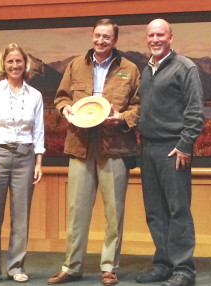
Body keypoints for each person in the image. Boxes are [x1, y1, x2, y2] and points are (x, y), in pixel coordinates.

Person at [47, 18, 140, 286]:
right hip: (80, 146)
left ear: (115, 40)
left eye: (106, 37)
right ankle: (71, 267)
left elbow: (140, 106)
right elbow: (62, 97)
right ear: (92, 36)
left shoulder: (130, 69)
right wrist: (66, 109)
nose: (101, 41)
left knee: (114, 212)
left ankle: (109, 267)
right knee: (77, 211)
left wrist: (123, 117)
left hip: (116, 148)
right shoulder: (76, 65)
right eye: (97, 36)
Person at [135, 19, 204, 286]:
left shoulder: (185, 67)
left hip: (173, 149)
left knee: (178, 210)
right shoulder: (147, 69)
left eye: (160, 35)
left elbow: (195, 110)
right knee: (155, 211)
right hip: (148, 148)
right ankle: (163, 264)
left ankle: (184, 270)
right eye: (151, 35)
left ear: (171, 37)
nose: (155, 39)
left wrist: (185, 145)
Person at [0, 43, 45, 284]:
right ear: (3, 65)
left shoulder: (35, 95)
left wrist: (38, 162)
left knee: (21, 216)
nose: (15, 66)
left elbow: (39, 131)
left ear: (25, 64)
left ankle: (16, 266)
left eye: (19, 61)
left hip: (25, 158)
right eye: (10, 62)